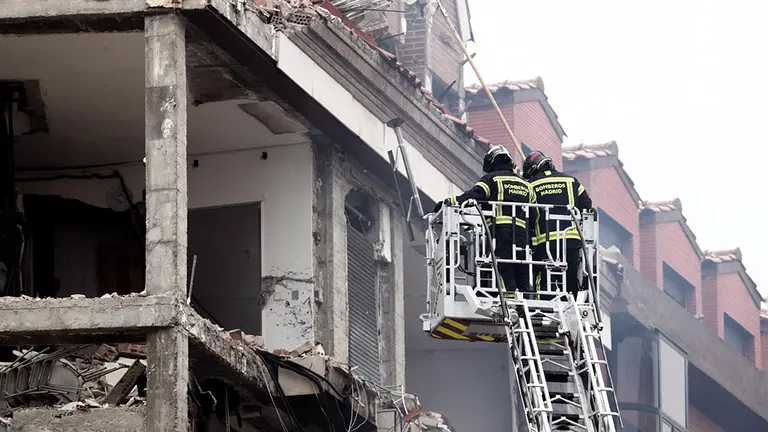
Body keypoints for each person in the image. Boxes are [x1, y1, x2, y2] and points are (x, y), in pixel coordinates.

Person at [434, 145, 534, 292]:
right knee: (521, 269)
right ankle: (525, 297)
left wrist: (447, 202)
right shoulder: (526, 185)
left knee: (502, 268)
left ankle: (509, 300)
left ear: (492, 162)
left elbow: (472, 196)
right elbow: (534, 213)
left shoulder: (491, 179)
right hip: (522, 237)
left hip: (499, 233)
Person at [522, 150, 592, 296]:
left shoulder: (530, 185)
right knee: (570, 278)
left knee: (545, 280)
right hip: (571, 241)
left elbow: (526, 213)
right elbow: (586, 204)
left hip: (546, 243)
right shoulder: (571, 181)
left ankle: (543, 308)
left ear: (533, 169)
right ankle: (570, 303)